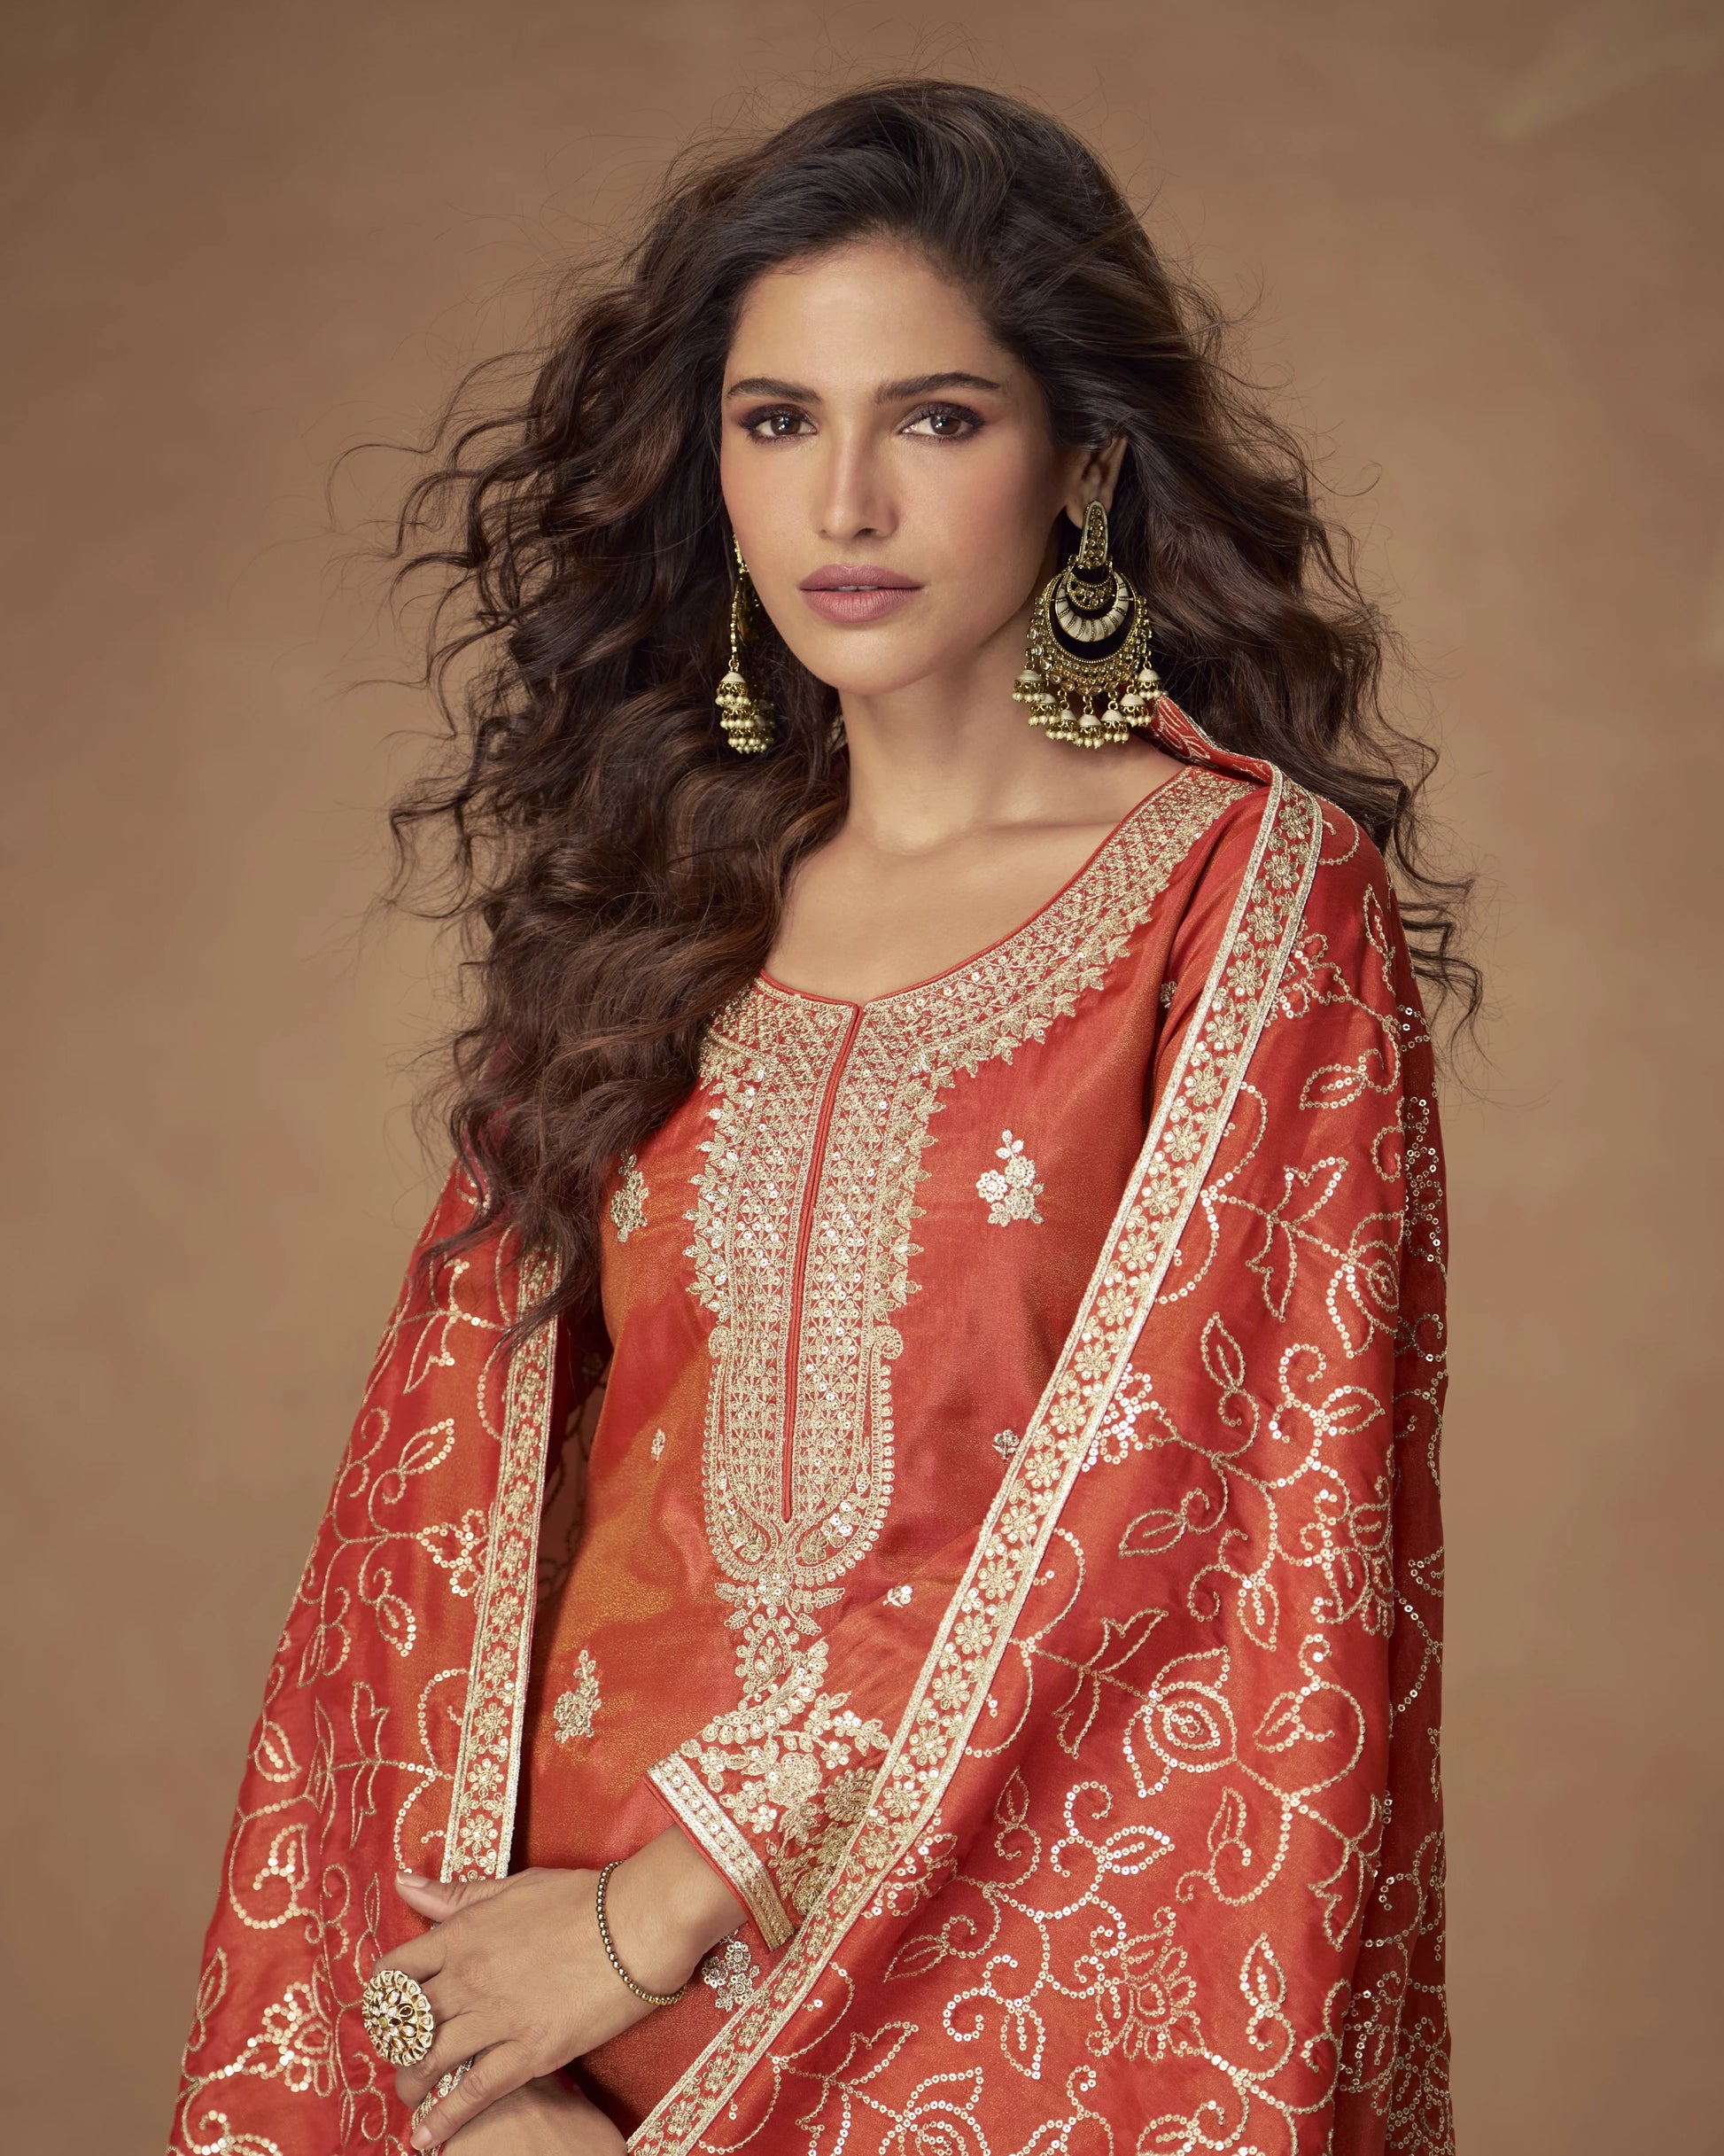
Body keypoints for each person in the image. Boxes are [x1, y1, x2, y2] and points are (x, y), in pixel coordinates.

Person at [170, 79, 1464, 2156]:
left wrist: (658, 1914)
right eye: (778, 422)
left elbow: (1196, 1518)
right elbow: (432, 1544)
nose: (844, 500)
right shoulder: (651, 916)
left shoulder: (1243, 899)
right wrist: (466, 2054)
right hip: (539, 2028)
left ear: (1083, 464)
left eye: (934, 417)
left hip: (988, 2002)